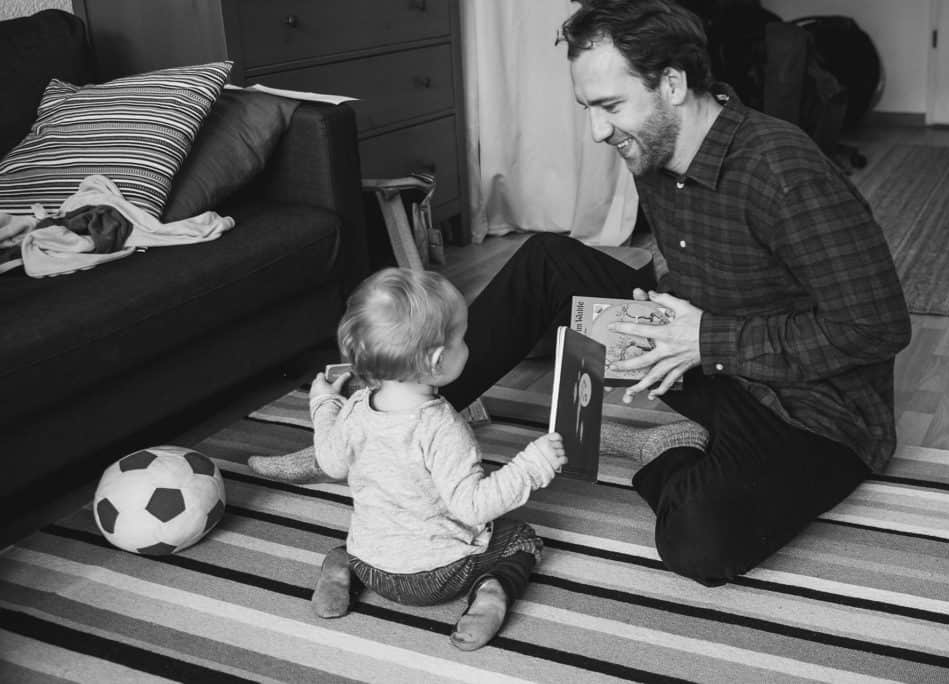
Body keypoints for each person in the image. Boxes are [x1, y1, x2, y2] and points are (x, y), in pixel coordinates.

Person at [439, 0, 911, 587]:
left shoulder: (784, 173)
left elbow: (877, 328)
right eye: (588, 109)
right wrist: (654, 319)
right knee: (548, 262)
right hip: (708, 359)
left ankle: (669, 451)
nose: (598, 131)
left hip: (814, 412)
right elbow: (696, 266)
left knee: (699, 542)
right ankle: (412, 416)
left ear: (672, 84)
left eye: (611, 107)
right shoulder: (653, 150)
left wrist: (706, 339)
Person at [252, 267, 566, 651]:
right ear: (436, 360)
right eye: (462, 339)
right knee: (521, 539)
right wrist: (533, 465)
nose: (468, 345)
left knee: (363, 537)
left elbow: (330, 463)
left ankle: (341, 568)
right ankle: (491, 592)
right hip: (439, 577)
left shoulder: (355, 407)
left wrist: (323, 403)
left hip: (371, 565)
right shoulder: (443, 427)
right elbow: (473, 506)